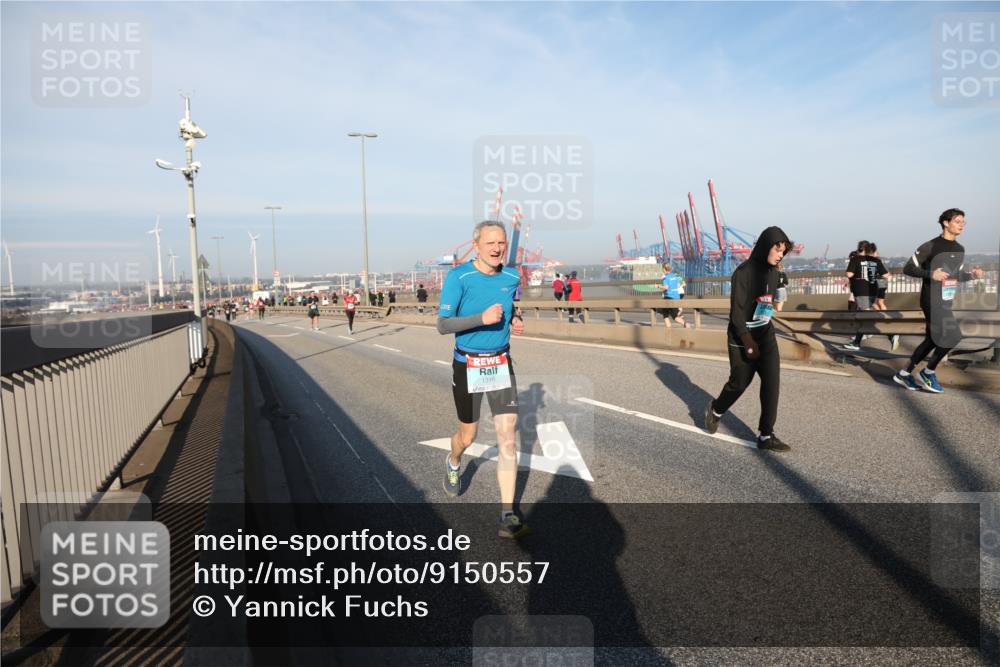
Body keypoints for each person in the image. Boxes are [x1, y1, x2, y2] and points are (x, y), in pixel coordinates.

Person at [437, 220, 528, 539]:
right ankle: (453, 460)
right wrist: (480, 319)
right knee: (469, 436)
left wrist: (516, 318)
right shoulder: (459, 277)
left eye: (501, 242)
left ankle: (507, 514)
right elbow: (443, 325)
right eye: (490, 243)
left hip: (501, 362)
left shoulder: (512, 275)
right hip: (468, 365)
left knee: (508, 437)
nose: (497, 248)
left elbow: (510, 305)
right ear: (476, 246)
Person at [703, 226, 793, 451]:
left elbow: (777, 306)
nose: (781, 254)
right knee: (739, 383)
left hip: (765, 333)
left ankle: (765, 435)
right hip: (742, 335)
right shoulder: (743, 273)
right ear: (765, 246)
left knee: (772, 383)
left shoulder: (775, 272)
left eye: (783, 251)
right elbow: (736, 314)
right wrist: (747, 341)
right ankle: (715, 410)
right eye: (777, 249)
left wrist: (782, 286)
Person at [893, 208, 983, 393]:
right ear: (945, 222)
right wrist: (930, 274)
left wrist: (971, 275)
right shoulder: (930, 246)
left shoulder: (960, 249)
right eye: (958, 221)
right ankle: (928, 371)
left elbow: (953, 275)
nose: (962, 225)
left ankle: (903, 374)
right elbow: (908, 268)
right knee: (953, 336)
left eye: (963, 222)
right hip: (930, 299)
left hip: (945, 300)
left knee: (932, 340)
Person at [843, 241, 892, 351]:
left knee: (866, 316)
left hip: (860, 291)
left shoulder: (855, 259)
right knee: (865, 315)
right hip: (873, 290)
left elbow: (849, 274)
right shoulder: (875, 260)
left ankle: (891, 334)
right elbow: (887, 275)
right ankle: (856, 343)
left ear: (860, 249)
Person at [657, 263, 687, 327]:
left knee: (665, 315)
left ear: (664, 269)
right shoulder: (675, 276)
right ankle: (686, 324)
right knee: (674, 316)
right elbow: (678, 285)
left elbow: (666, 287)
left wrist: (658, 286)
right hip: (677, 297)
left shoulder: (666, 278)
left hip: (669, 297)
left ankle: (668, 331)